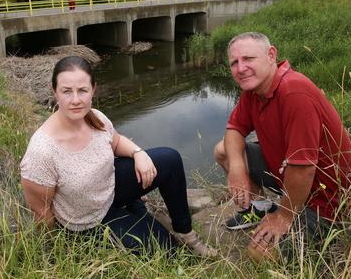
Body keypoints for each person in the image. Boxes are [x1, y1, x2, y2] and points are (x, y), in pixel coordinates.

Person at [20, 55, 216, 257]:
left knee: (170, 159)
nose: (76, 100)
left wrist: (138, 153)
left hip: (111, 190)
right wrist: (56, 254)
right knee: (165, 248)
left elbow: (116, 141)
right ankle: (136, 211)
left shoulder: (95, 117)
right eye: (67, 91)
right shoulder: (42, 151)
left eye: (83, 90)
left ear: (93, 89)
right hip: (87, 221)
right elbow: (41, 212)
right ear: (55, 92)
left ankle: (185, 233)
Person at [213, 32, 351, 260]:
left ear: (271, 55)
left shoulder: (294, 92)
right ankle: (260, 207)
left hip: (326, 198)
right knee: (223, 150)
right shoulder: (253, 90)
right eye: (234, 62)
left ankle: (299, 218)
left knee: (259, 255)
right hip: (288, 174)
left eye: (248, 59)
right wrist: (237, 169)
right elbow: (234, 129)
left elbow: (304, 168)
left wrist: (284, 215)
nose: (241, 68)